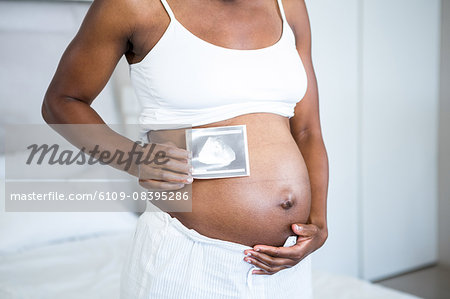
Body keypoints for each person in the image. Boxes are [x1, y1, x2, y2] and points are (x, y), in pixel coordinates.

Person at [42, 0, 329, 298]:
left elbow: (308, 130)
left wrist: (318, 222)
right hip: (186, 264)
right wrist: (134, 159)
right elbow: (61, 101)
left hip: (284, 268)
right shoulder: (133, 6)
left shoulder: (288, 5)